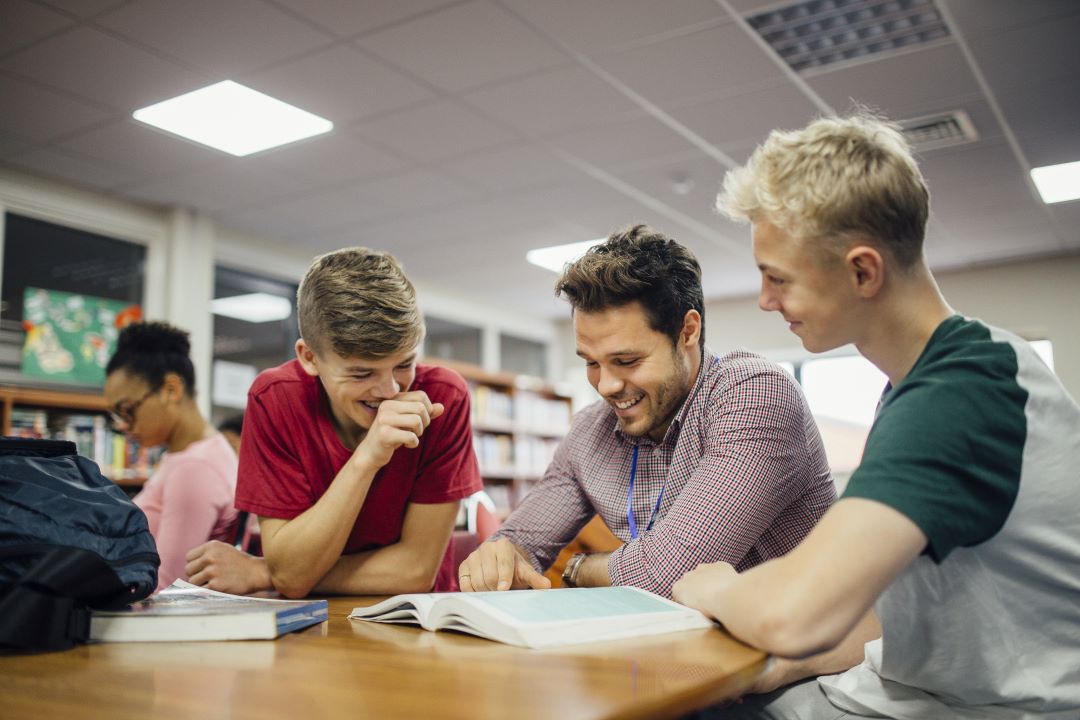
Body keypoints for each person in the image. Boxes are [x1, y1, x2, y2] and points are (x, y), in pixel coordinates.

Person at [673, 113, 1080, 718]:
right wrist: (780, 667)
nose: (765, 300)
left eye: (777, 277)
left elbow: (795, 613)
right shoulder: (924, 383)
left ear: (863, 270)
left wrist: (717, 588)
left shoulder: (962, 392)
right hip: (912, 689)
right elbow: (882, 612)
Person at [458, 225, 835, 597]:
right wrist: (496, 560)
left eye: (626, 360)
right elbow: (515, 544)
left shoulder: (754, 393)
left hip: (799, 650)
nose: (605, 386)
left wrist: (579, 568)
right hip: (676, 648)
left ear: (687, 331)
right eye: (591, 362)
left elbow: (671, 575)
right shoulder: (591, 431)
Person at [185, 247, 482, 597]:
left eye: (404, 364)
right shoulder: (274, 398)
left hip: (414, 620)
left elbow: (414, 572)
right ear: (309, 358)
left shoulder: (444, 397)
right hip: (302, 625)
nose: (389, 390)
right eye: (361, 372)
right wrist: (368, 457)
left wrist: (266, 572)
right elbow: (291, 574)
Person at [103, 321, 239, 591]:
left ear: (171, 390)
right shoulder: (188, 455)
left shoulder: (195, 468)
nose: (122, 425)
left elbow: (166, 588)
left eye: (127, 410)